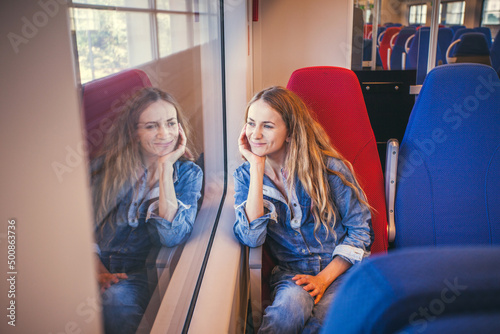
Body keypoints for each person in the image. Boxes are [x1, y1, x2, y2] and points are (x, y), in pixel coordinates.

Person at [233, 86, 373, 334]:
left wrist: (323, 280)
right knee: (285, 316)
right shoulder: (245, 177)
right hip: (291, 275)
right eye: (251, 123)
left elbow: (361, 232)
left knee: (328, 323)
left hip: (339, 269)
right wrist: (256, 166)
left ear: (289, 132)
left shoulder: (329, 168)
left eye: (267, 126)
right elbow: (252, 237)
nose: (255, 134)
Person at [90, 87, 203, 334]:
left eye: (171, 123)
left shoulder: (188, 174)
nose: (165, 134)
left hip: (138, 273)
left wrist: (165, 169)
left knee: (115, 301)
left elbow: (172, 236)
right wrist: (95, 269)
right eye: (151, 126)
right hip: (88, 264)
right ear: (134, 133)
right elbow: (78, 225)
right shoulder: (106, 167)